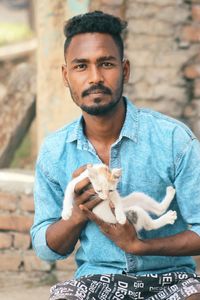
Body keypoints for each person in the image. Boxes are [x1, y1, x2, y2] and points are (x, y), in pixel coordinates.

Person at [31, 11, 200, 300]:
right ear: (65, 75)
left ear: (124, 70)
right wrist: (76, 214)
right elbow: (46, 248)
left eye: (106, 64)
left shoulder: (173, 140)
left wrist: (139, 246)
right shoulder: (54, 151)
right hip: (95, 279)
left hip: (172, 279)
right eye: (81, 66)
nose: (95, 77)